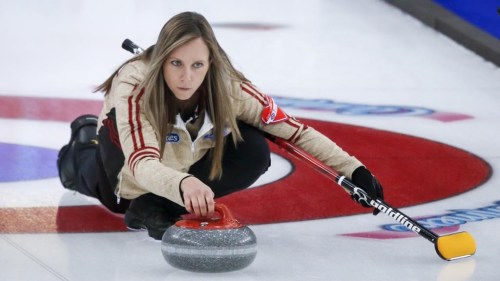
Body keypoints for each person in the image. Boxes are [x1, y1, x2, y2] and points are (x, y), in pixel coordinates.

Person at [56, 11, 384, 240]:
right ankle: (81, 144)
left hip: (179, 158)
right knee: (118, 197)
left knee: (253, 149)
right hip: (127, 158)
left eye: (197, 65)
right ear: (162, 62)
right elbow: (142, 164)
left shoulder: (230, 88)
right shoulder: (134, 87)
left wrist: (355, 171)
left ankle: (155, 205)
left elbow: (294, 131)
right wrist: (185, 185)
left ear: (211, 62)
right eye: (176, 64)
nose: (187, 77)